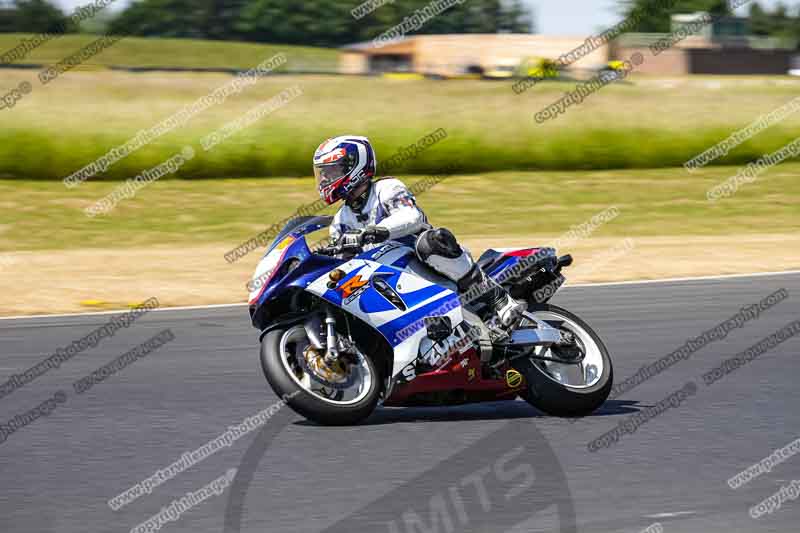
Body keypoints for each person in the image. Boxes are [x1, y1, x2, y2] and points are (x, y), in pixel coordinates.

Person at [313, 135, 525, 329]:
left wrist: (373, 232)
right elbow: (343, 262)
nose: (324, 180)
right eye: (322, 174)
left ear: (354, 166)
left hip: (419, 261)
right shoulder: (340, 221)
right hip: (385, 279)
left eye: (331, 172)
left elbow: (411, 217)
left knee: (430, 242)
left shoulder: (386, 189)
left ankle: (497, 298)